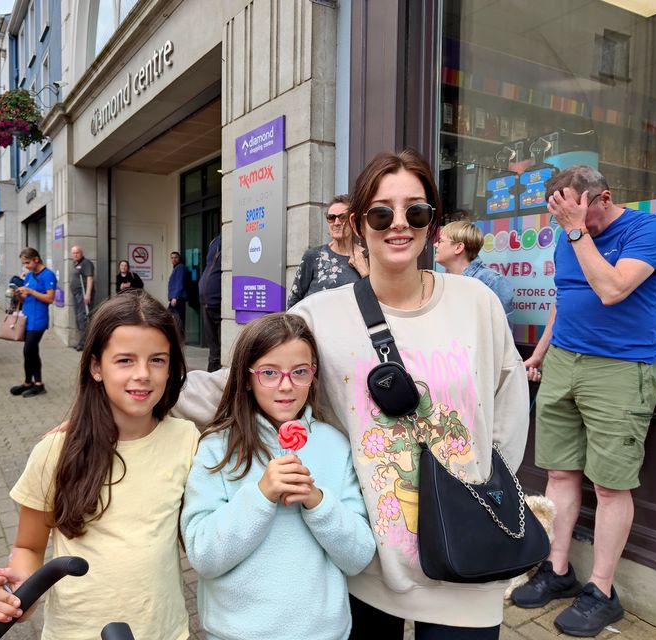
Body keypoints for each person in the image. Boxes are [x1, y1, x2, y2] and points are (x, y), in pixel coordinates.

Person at [175, 149, 529, 639]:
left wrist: (488, 498)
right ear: (360, 224)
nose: (398, 224)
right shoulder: (322, 314)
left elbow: (509, 410)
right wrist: (120, 394)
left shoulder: (477, 303)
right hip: (370, 564)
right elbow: (240, 381)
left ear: (433, 222)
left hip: (467, 551)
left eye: (416, 210)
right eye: (382, 212)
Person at [511, 166, 656, 637]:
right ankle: (557, 570)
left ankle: (602, 592)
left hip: (620, 369)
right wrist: (539, 354)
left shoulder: (650, 230)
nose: (569, 223)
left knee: (609, 485)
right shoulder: (570, 232)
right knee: (560, 472)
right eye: (559, 215)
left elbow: (611, 289)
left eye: (577, 212)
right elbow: (567, 295)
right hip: (564, 360)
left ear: (604, 197)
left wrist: (578, 230)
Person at [0, 291, 199, 640]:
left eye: (157, 360)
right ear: (96, 366)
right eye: (125, 360)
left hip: (164, 631)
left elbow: (200, 535)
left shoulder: (188, 440)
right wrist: (19, 594)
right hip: (74, 632)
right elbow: (29, 546)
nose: (143, 374)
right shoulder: (55, 452)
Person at [181, 313, 375, 640]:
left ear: (314, 376)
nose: (286, 385)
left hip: (324, 632)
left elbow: (358, 557)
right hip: (235, 633)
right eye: (269, 373)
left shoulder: (335, 445)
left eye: (300, 372)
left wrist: (318, 503)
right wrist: (260, 496)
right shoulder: (217, 448)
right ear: (246, 377)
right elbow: (203, 555)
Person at [287, 195, 369, 308]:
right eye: (331, 217)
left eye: (342, 217)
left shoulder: (368, 257)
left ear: (353, 221)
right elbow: (294, 300)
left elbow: (380, 301)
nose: (336, 222)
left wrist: (365, 274)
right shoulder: (313, 256)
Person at [434, 220, 514, 321]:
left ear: (459, 247)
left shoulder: (492, 282)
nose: (435, 244)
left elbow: (501, 333)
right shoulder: (442, 282)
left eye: (440, 241)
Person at [9, 248, 56, 398]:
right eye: (24, 263)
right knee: (31, 352)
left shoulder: (48, 275)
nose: (26, 266)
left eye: (27, 262)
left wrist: (31, 292)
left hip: (39, 319)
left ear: (36, 259)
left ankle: (38, 384)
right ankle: (30, 383)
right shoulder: (29, 275)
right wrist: (19, 295)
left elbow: (50, 298)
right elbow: (26, 299)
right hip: (27, 318)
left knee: (28, 350)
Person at [198, 235, 222, 372]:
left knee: (219, 348)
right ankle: (212, 375)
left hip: (218, 302)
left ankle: (215, 374)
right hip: (206, 302)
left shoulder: (228, 237)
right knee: (213, 348)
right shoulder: (214, 241)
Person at [70, 246, 95, 351]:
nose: (75, 254)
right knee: (79, 318)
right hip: (76, 294)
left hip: (83, 294)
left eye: (77, 252)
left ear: (81, 253)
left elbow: (90, 278)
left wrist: (87, 294)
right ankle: (83, 342)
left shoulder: (86, 263)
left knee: (83, 318)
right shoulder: (76, 264)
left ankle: (85, 344)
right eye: (73, 253)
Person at [167, 251, 187, 334]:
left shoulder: (180, 268)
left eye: (175, 257)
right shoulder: (176, 268)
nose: (173, 259)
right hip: (175, 298)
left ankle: (179, 338)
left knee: (176, 319)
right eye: (172, 258)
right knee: (172, 318)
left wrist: (175, 297)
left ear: (179, 258)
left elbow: (180, 283)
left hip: (178, 298)